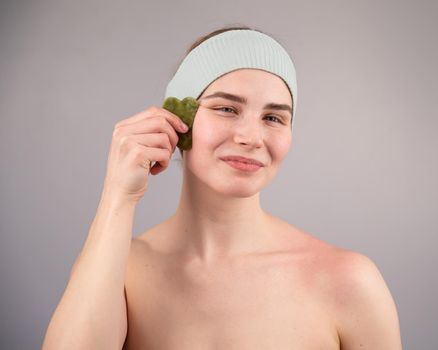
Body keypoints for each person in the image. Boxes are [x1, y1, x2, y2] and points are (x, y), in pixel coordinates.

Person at [42, 26, 403, 350]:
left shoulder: (350, 281)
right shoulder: (118, 270)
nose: (250, 137)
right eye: (227, 109)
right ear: (177, 119)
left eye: (273, 118)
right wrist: (119, 196)